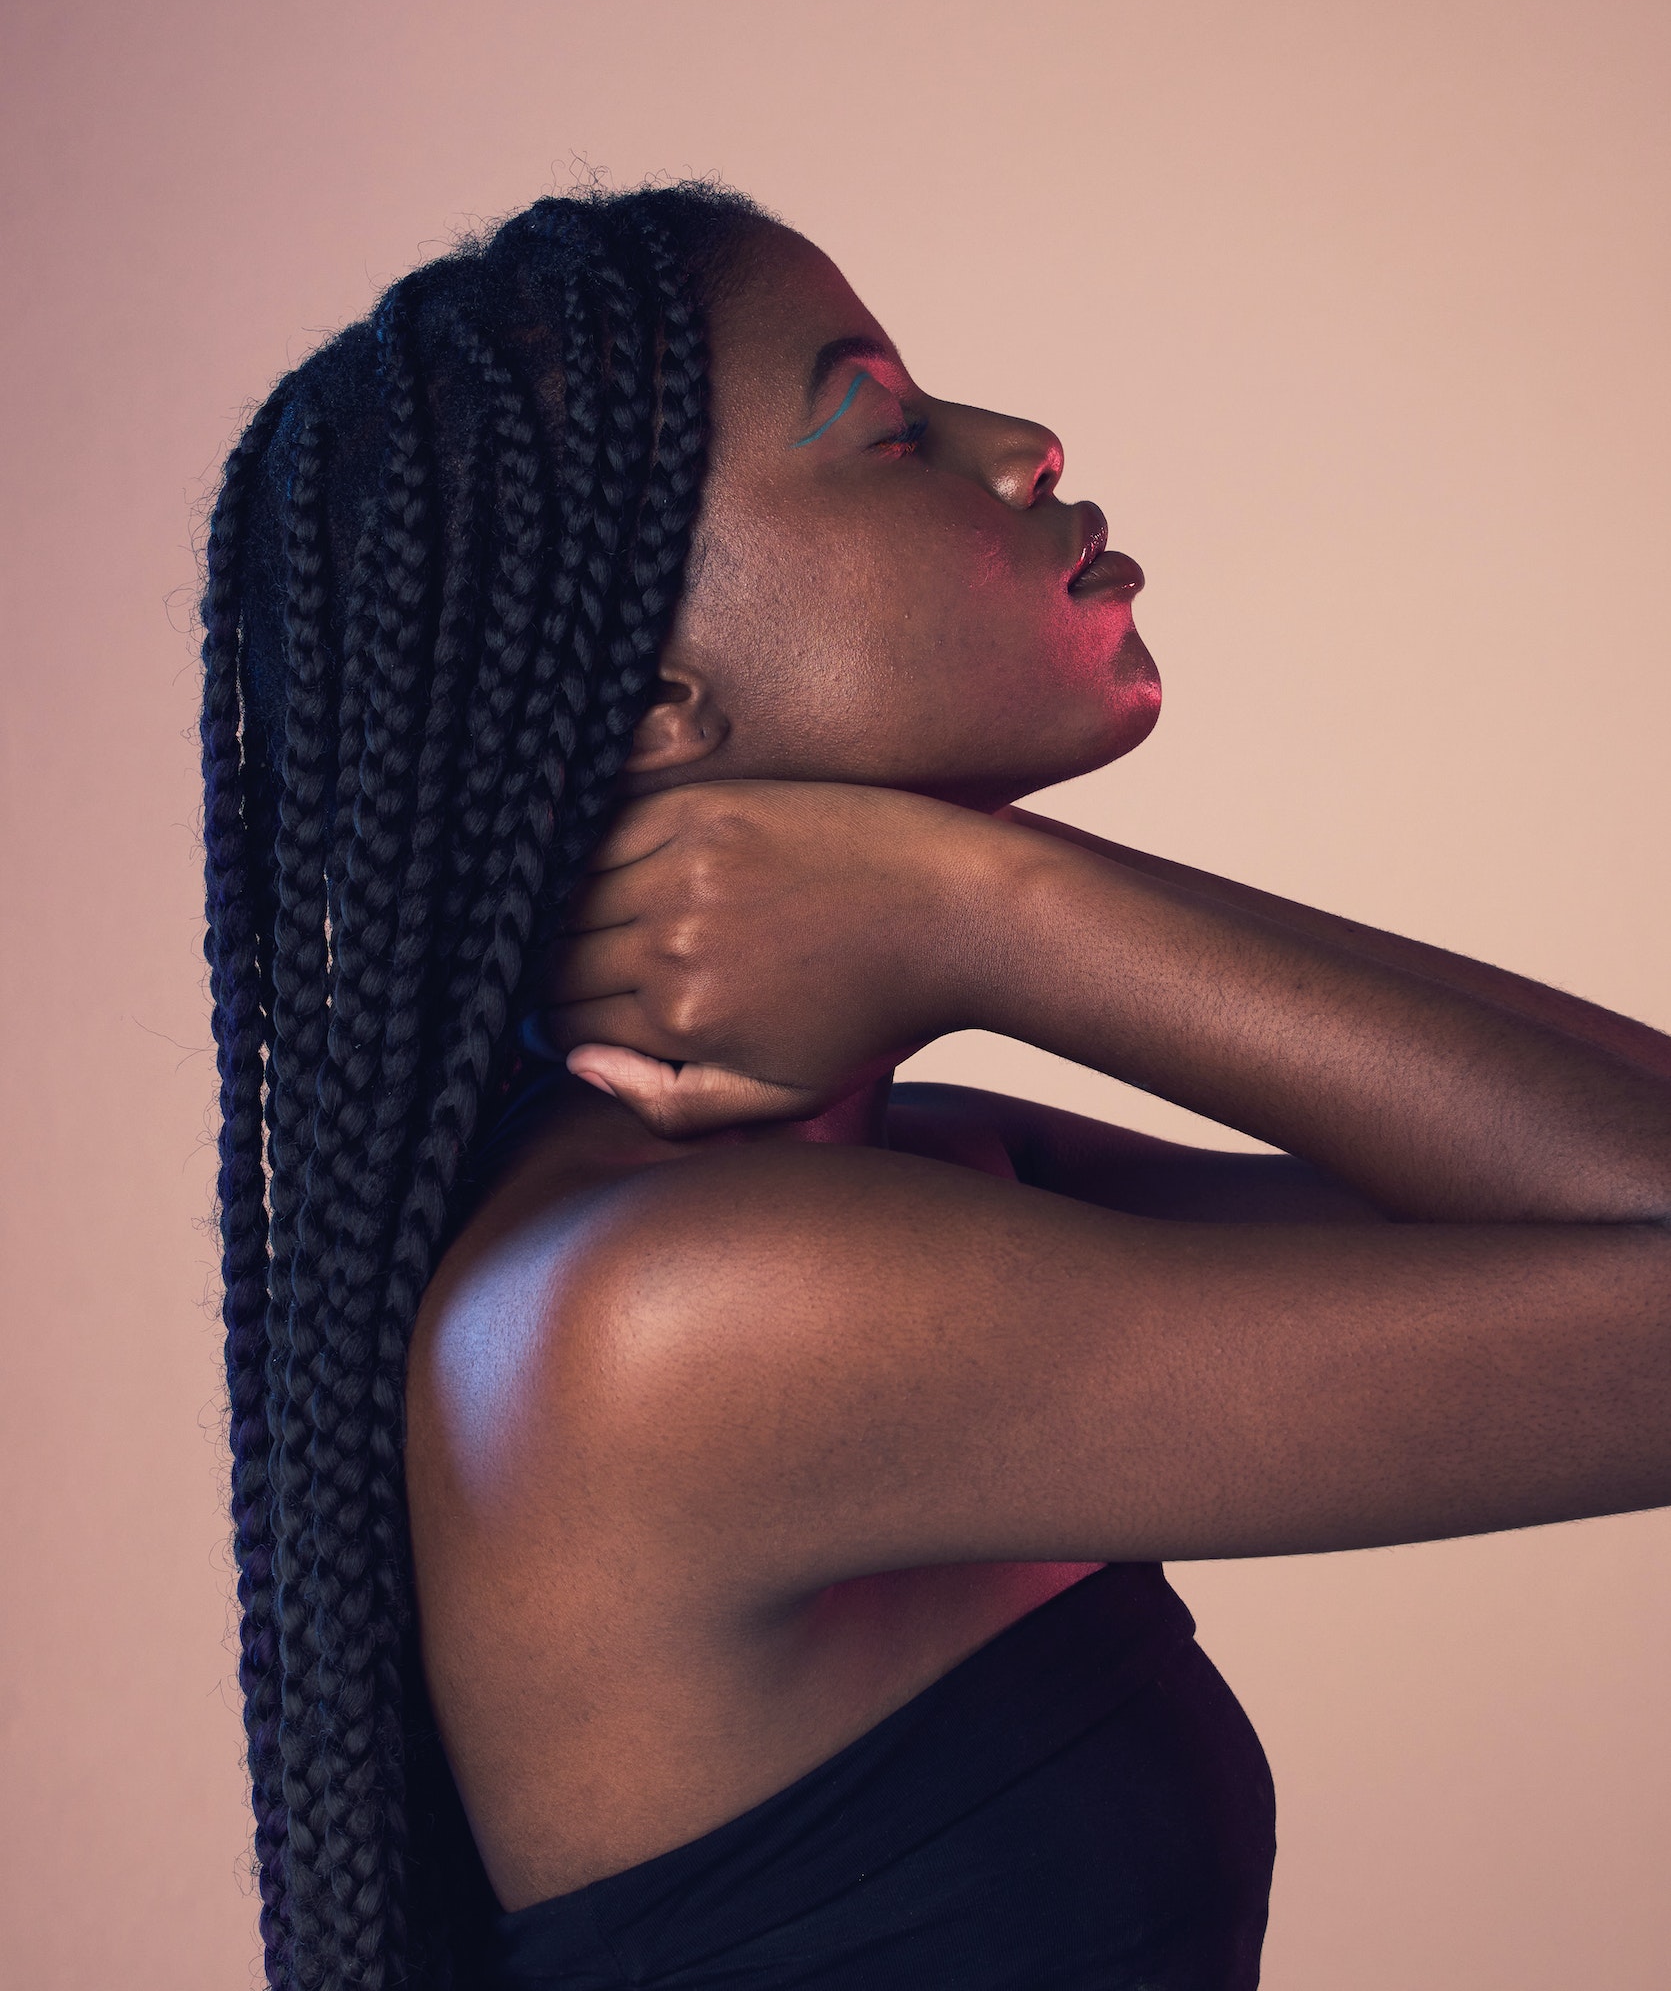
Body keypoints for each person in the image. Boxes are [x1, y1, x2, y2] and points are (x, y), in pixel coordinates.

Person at [200, 181, 1671, 1991]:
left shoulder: (877, 1200)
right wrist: (995, 912)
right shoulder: (675, 1319)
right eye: (883, 430)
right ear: (654, 703)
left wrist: (977, 918)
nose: (1021, 443)